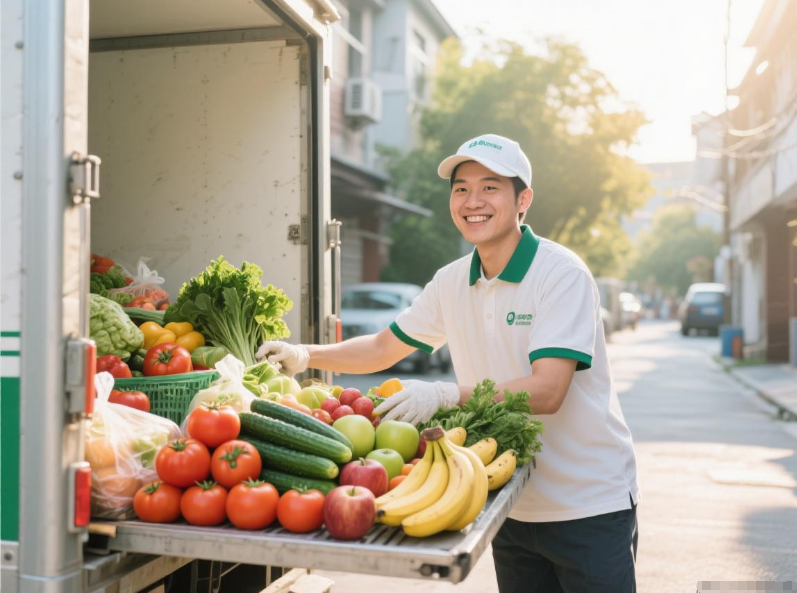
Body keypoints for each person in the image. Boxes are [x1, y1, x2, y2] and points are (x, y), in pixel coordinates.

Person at [257, 133, 640, 593]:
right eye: (461, 188)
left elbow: (548, 391)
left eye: (490, 186)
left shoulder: (561, 274)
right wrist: (305, 355)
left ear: (523, 200)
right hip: (507, 500)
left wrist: (443, 393)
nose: (472, 201)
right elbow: (383, 349)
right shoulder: (452, 281)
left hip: (588, 504)